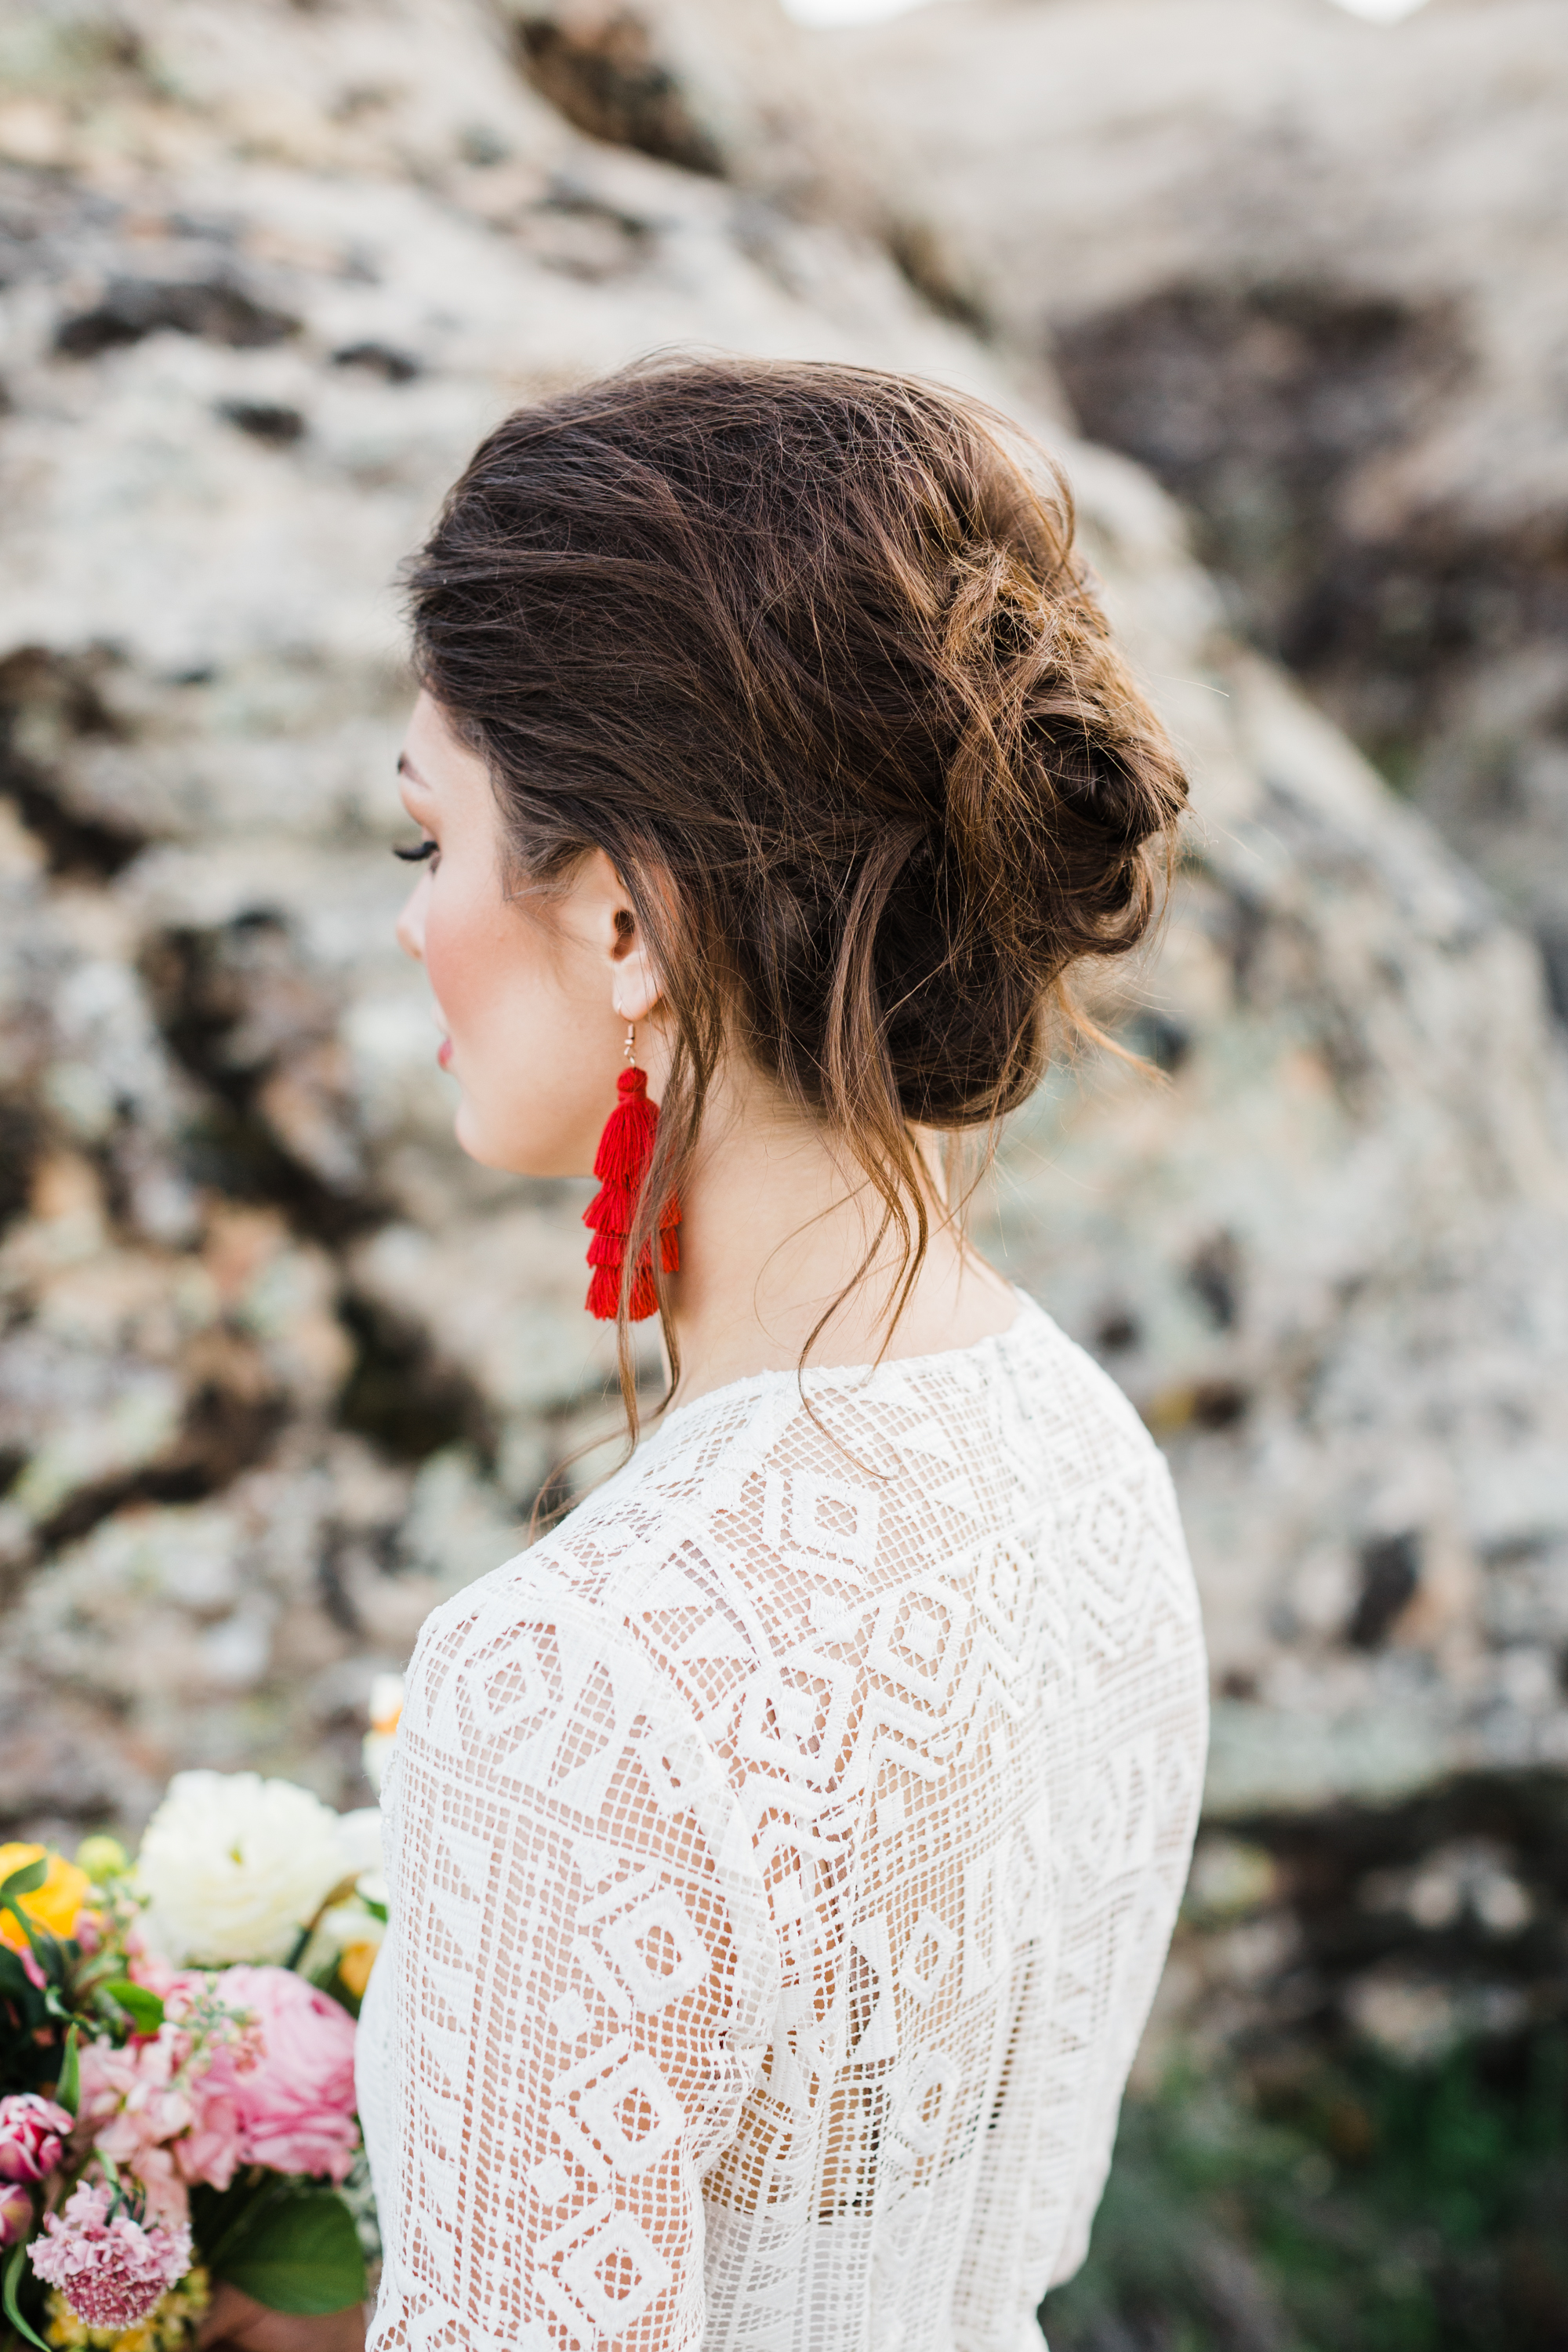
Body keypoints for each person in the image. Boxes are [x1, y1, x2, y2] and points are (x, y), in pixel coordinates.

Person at [231, 358, 1209, 2352]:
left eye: (431, 841)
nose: (414, 925)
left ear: (620, 926)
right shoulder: (1078, 1449)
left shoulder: (576, 1690)